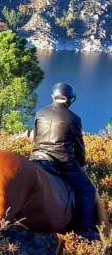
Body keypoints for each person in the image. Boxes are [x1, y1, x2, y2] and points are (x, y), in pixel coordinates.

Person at [29, 82, 99, 240]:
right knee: (87, 190)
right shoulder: (73, 118)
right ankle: (84, 229)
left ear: (53, 96)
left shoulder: (40, 113)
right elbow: (79, 146)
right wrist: (81, 165)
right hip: (62, 162)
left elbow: (35, 137)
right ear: (71, 99)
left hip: (38, 159)